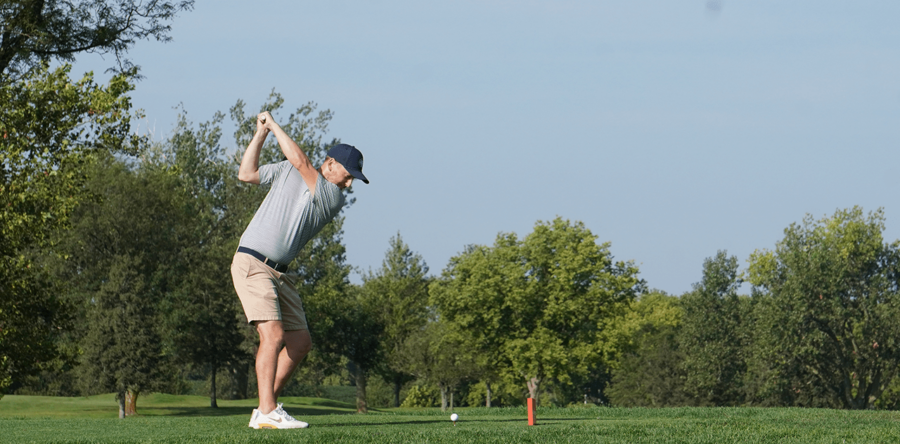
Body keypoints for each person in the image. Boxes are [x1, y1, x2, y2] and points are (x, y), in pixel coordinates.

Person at [231, 111, 368, 429]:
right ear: (331, 163)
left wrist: (274, 123)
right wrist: (261, 135)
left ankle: (266, 408)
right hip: (253, 262)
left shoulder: (331, 197)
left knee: (300, 341)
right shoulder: (286, 171)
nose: (349, 184)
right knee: (273, 335)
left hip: (281, 274)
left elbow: (302, 163)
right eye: (348, 175)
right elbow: (246, 174)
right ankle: (268, 411)